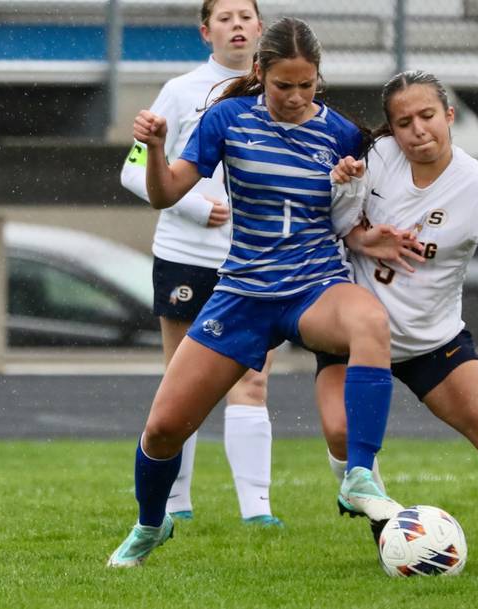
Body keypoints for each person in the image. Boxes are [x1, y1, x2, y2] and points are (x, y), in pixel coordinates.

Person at [107, 17, 412, 568]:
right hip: (244, 291)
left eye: (307, 85)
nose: (296, 98)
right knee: (164, 427)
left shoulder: (342, 134)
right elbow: (164, 192)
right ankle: (151, 525)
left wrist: (374, 235)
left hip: (315, 285)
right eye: (283, 86)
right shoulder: (225, 118)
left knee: (370, 321)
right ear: (259, 73)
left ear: (319, 78)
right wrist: (153, 149)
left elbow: (355, 214)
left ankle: (359, 477)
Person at [316, 70, 478, 566]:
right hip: (353, 332)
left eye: (427, 116)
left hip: (430, 342)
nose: (417, 130)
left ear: (449, 116)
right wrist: (356, 226)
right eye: (404, 122)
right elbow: (330, 222)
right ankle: (391, 536)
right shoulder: (374, 160)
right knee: (344, 437)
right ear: (390, 129)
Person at [120, 0, 283, 528]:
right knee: (181, 384)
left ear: (261, 28)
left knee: (252, 381)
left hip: (255, 260)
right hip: (187, 256)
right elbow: (133, 171)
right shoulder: (182, 90)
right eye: (225, 18)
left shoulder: (281, 91)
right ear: (205, 32)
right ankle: (175, 502)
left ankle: (257, 511)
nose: (236, 25)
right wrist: (193, 206)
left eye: (245, 16)